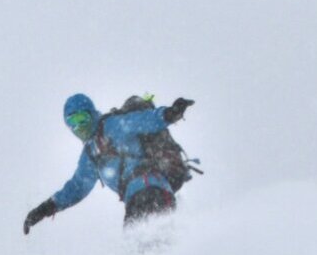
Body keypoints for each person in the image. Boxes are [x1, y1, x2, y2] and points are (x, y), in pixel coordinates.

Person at [23, 93, 195, 234]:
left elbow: (145, 120)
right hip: (136, 199)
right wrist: (44, 209)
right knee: (146, 252)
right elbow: (77, 187)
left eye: (82, 118)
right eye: (72, 122)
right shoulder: (90, 153)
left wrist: (171, 113)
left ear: (92, 113)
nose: (79, 126)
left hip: (151, 189)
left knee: (143, 250)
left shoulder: (112, 125)